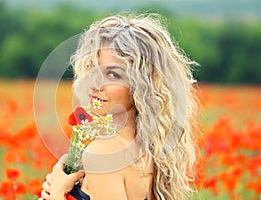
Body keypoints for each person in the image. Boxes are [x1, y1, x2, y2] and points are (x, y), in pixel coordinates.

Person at [39, 13, 200, 200]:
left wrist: (57, 194)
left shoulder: (103, 152)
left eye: (113, 75)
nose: (95, 83)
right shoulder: (150, 150)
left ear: (141, 86)